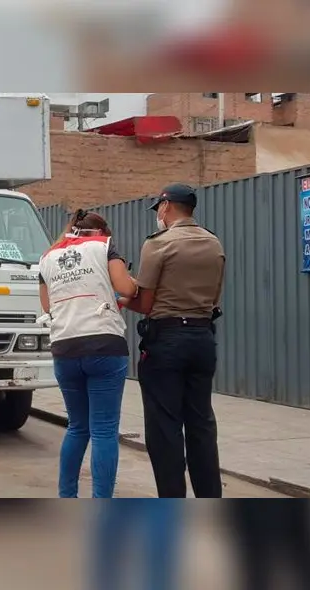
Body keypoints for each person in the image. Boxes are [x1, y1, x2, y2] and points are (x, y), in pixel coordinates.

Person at [120, 183, 226, 498]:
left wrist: (125, 295)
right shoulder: (214, 243)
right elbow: (214, 297)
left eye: (159, 210)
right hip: (202, 338)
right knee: (201, 424)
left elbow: (147, 304)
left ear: (165, 207)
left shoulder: (158, 244)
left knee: (165, 427)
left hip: (166, 341)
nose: (159, 216)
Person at [38, 209, 139, 498]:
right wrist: (128, 286)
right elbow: (125, 287)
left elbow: (48, 307)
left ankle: (67, 496)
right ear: (102, 232)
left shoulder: (47, 257)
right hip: (104, 347)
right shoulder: (104, 246)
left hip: (65, 349)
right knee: (105, 431)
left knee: (77, 427)